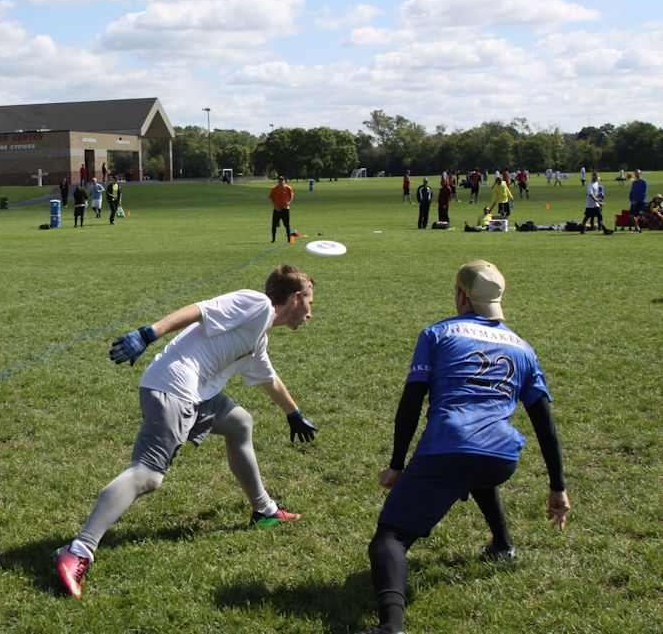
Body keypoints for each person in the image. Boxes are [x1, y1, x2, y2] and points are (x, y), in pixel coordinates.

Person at [55, 264, 320, 599]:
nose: (310, 313)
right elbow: (200, 309)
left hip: (195, 394)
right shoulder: (257, 304)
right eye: (310, 303)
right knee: (147, 476)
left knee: (240, 423)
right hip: (174, 387)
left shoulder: (257, 337)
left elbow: (269, 378)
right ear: (296, 298)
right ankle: (78, 550)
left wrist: (294, 414)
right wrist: (149, 334)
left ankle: (264, 510)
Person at [362, 260, 570, 634]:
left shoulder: (437, 334)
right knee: (474, 466)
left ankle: (391, 627)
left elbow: (411, 402)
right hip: (501, 456)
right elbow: (545, 424)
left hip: (448, 445)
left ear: (461, 295)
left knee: (389, 539)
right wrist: (558, 488)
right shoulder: (523, 348)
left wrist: (397, 464)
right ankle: (503, 546)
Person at [269, 175, 294, 242]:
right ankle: (273, 239)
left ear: (284, 181)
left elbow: (291, 196)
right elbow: (271, 197)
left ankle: (289, 239)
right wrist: (275, 206)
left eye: (282, 180)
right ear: (278, 181)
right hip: (277, 209)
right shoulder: (274, 188)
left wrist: (288, 203)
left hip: (285, 209)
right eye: (279, 180)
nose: (281, 181)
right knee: (274, 225)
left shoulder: (288, 188)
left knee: (287, 225)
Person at [628, 169, 648, 233]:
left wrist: (637, 200)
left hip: (640, 202)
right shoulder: (634, 183)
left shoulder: (644, 182)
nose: (637, 174)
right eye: (636, 173)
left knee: (641, 216)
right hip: (633, 202)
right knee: (631, 215)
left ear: (641, 174)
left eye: (638, 173)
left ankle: (643, 227)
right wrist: (631, 199)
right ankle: (637, 228)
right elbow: (632, 191)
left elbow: (643, 193)